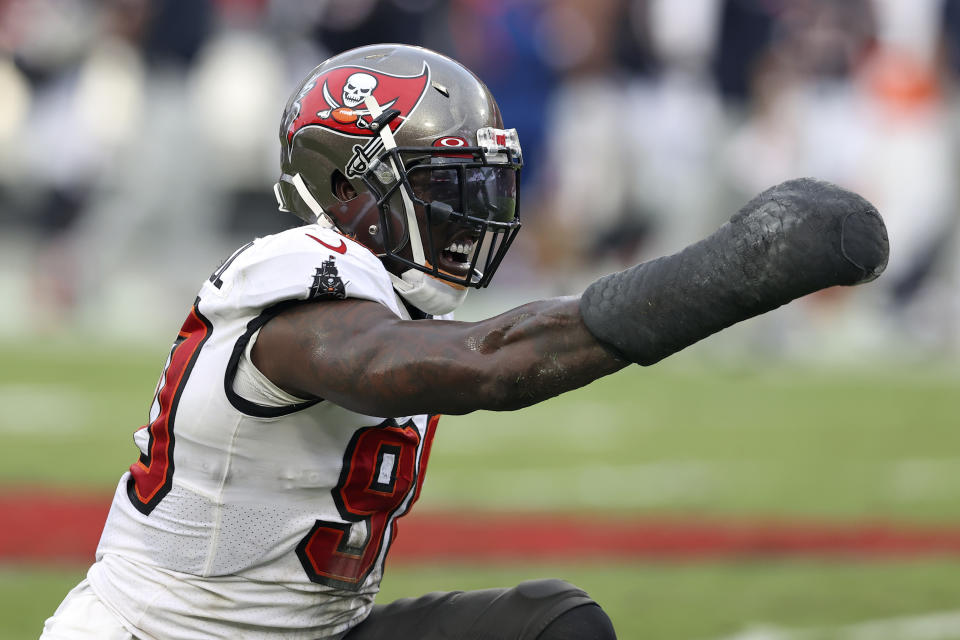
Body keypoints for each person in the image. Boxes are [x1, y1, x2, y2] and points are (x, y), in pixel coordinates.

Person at [40, 44, 888, 640]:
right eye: (446, 184)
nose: (473, 209)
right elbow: (487, 366)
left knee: (554, 626)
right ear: (346, 189)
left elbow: (500, 338)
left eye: (480, 181)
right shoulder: (297, 275)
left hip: (313, 632)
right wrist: (728, 271)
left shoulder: (390, 294)